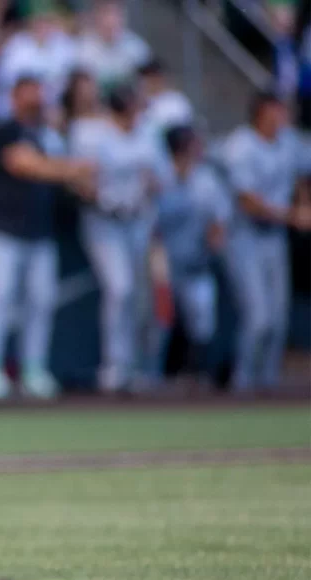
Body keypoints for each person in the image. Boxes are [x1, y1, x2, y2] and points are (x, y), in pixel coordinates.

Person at [0, 76, 95, 400]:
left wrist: (79, 180)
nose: (35, 100)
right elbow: (23, 164)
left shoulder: (49, 137)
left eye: (39, 93)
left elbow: (64, 176)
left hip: (38, 231)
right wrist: (74, 170)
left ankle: (34, 369)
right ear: (14, 97)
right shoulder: (4, 130)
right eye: (29, 93)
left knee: (40, 301)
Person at [70, 83, 163, 393]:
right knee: (120, 289)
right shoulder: (91, 133)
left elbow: (162, 178)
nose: (136, 114)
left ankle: (136, 367)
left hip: (137, 220)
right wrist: (96, 192)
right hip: (104, 220)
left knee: (139, 295)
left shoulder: (148, 134)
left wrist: (149, 187)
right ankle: (114, 366)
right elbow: (81, 181)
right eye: (131, 108)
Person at [220, 92, 311, 392]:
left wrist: (303, 203)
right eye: (276, 112)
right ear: (260, 113)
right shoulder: (241, 145)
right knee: (258, 317)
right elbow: (248, 201)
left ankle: (268, 386)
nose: (282, 118)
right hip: (246, 236)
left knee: (279, 318)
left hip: (275, 238)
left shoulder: (288, 141)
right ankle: (243, 385)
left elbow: (303, 174)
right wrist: (292, 214)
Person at [154, 125, 229, 386]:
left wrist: (215, 240)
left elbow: (218, 224)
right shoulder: (159, 177)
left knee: (201, 320)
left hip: (196, 263)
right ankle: (154, 378)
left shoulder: (206, 179)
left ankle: (195, 376)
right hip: (160, 265)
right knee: (159, 324)